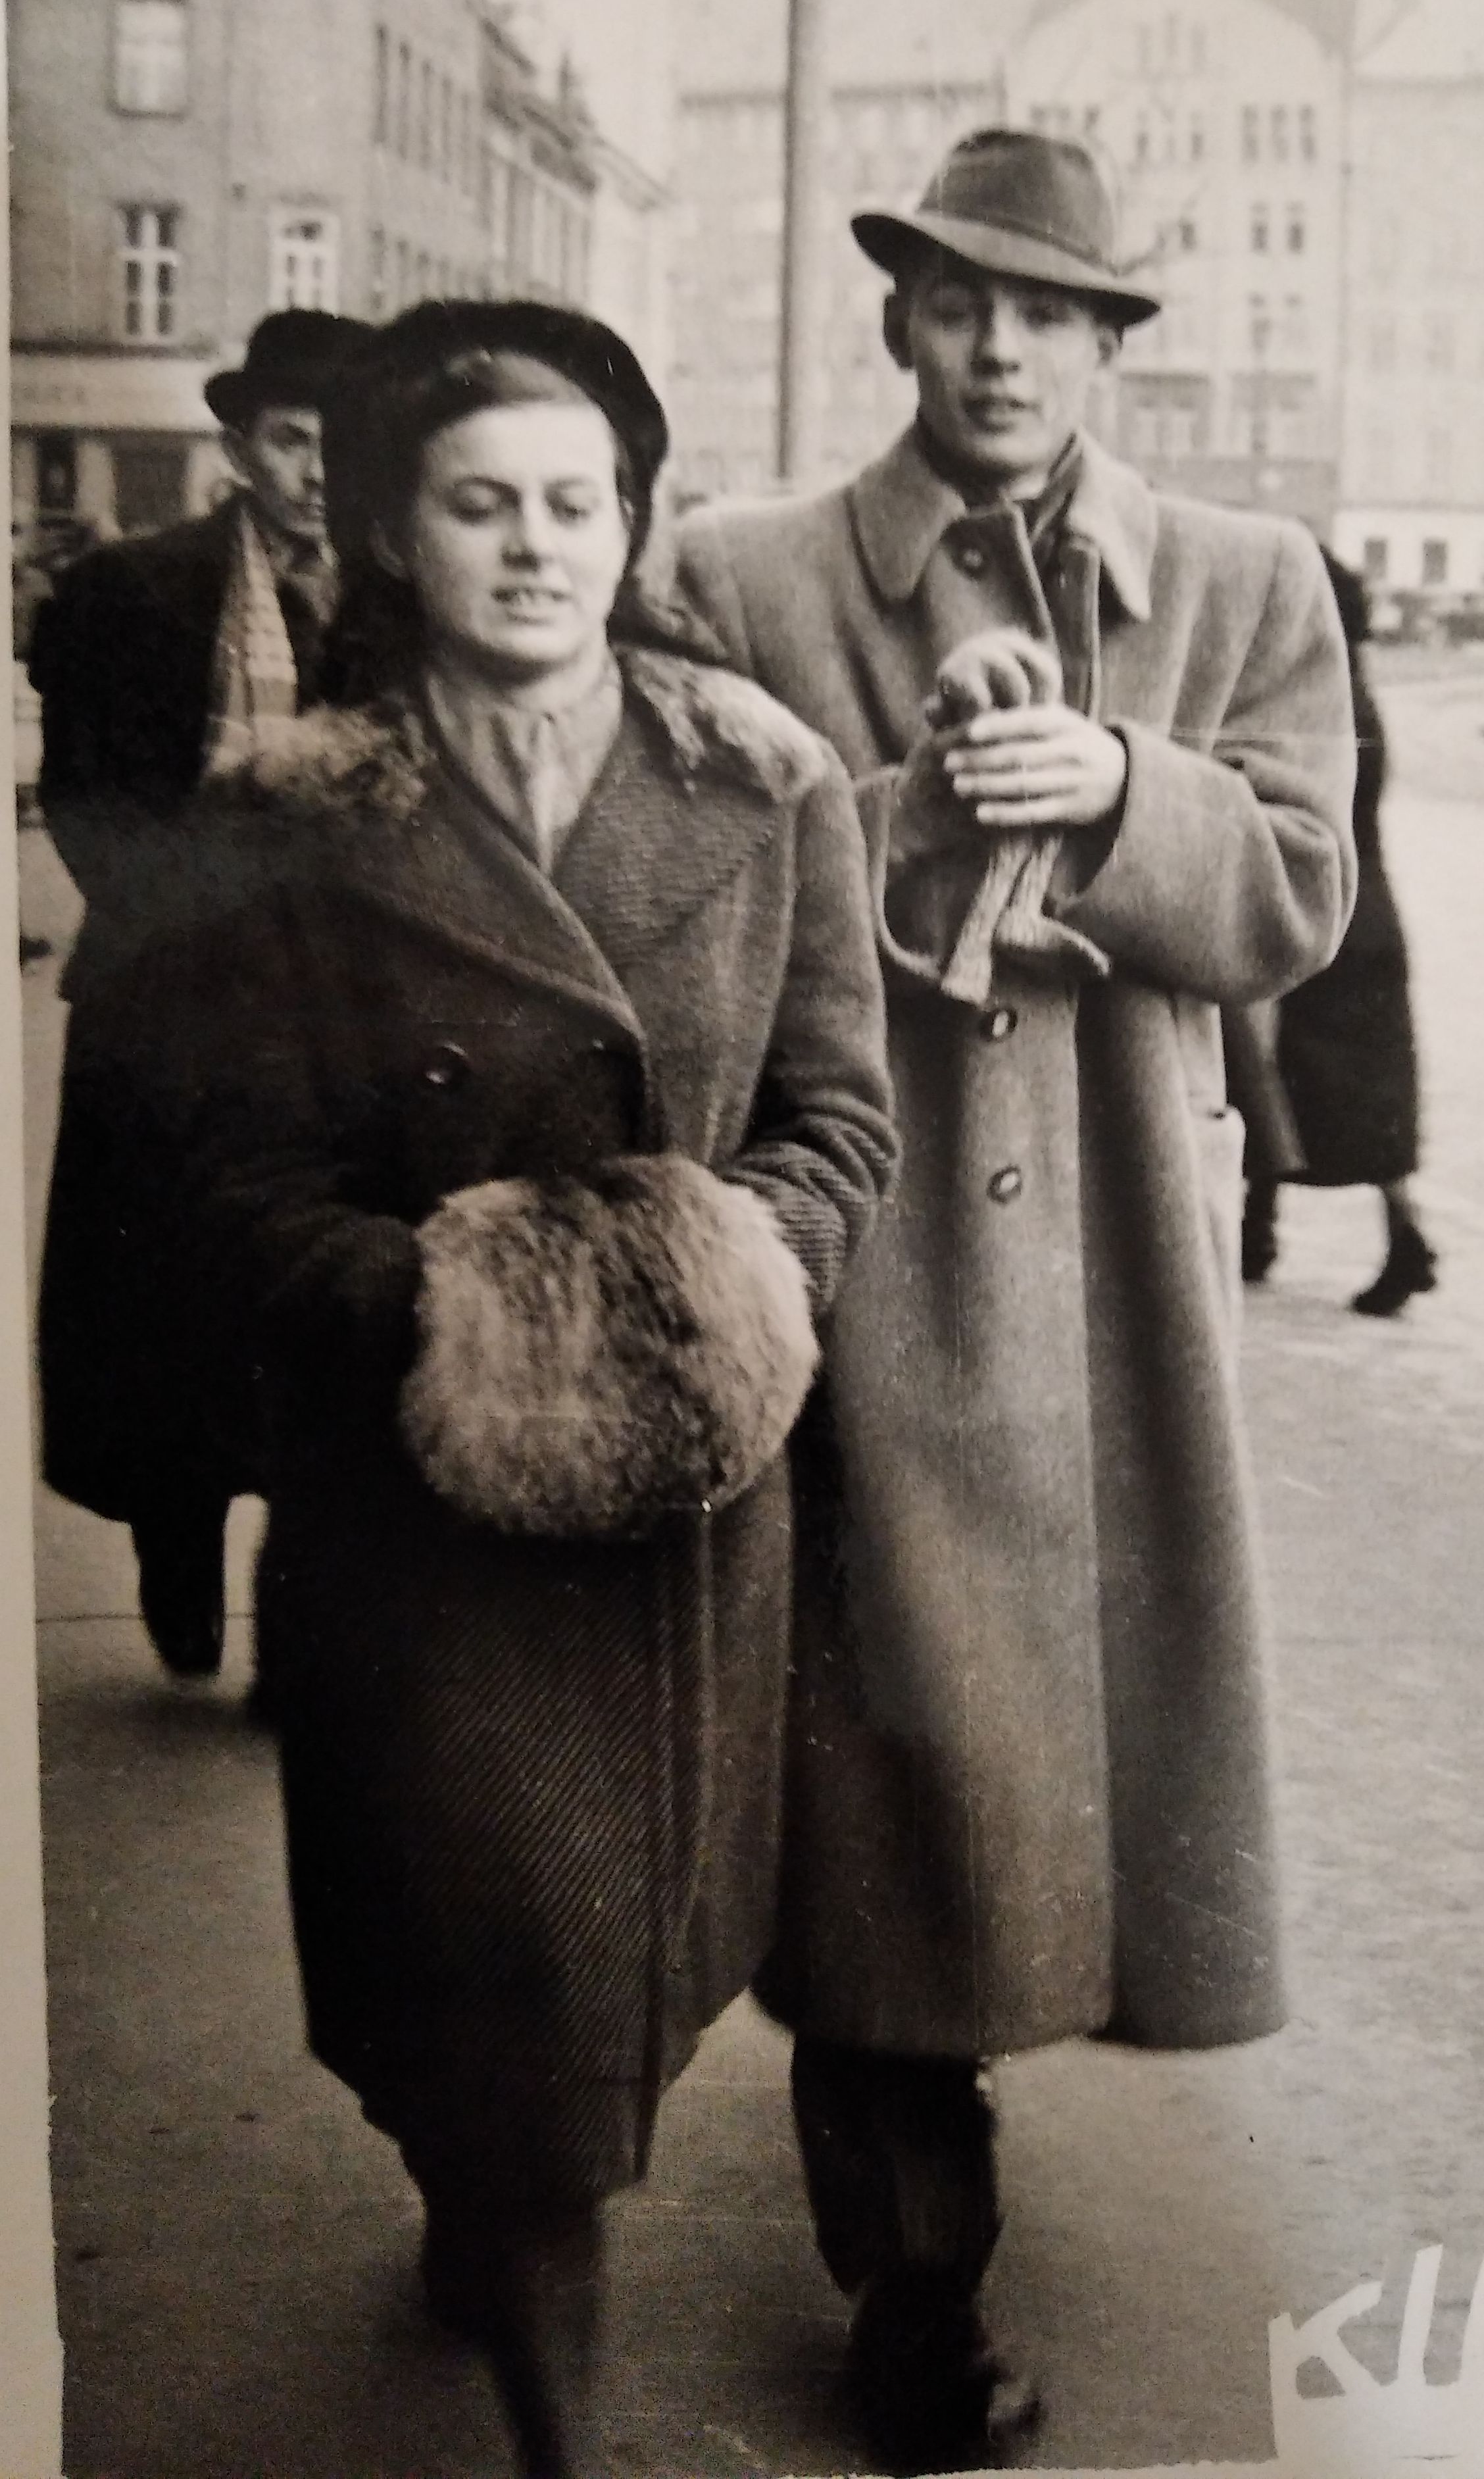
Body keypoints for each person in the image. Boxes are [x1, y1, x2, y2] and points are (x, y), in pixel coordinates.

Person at [80, 298, 897, 2476]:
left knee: (600, 1993)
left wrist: (720, 1278)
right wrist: (472, 1312)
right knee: (492, 2007)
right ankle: (546, 2391)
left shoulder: (764, 780)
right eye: (479, 505)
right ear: (393, 531)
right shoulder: (287, 815)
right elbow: (230, 1174)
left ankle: (503, 2207)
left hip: (689, 1493)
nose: (534, 545)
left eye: (574, 503)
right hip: (418, 1502)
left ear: (629, 524)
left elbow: (838, 1119)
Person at [675, 126, 1357, 2472]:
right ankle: (914, 2281)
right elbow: (683, 895)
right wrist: (923, 806)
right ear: (898, 317)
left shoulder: (1246, 580)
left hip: (1118, 1281)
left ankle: (947, 2179)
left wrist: (1132, 789)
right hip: (873, 1255)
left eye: (1048, 311)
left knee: (1071, 1767)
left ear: (1107, 341)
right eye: (959, 301)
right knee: (885, 1772)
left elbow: (1299, 892)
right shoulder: (741, 573)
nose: (998, 349)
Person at [32, 307, 373, 1678]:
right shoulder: (134, 594)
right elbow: (87, 804)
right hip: (165, 1002)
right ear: (238, 447)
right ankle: (175, 1543)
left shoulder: (396, 609)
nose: (318, 472)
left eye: (343, 446)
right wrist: (203, 920)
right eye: (292, 440)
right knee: (165, 1309)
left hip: (338, 1018)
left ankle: (297, 1609)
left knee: (315, 1315)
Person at [1230, 546, 1437, 1315]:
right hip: (1368, 909)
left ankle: (1388, 1239)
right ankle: (1263, 1227)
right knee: (1321, 1078)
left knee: (1274, 1064)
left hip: (1325, 906)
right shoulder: (1357, 688)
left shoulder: (1320, 697)